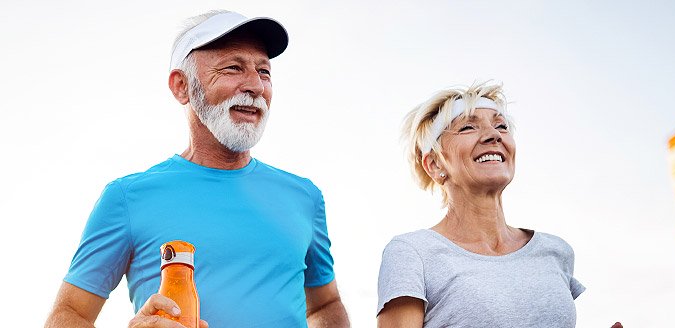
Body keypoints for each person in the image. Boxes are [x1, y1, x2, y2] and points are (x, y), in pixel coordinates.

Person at [45, 10, 349, 328]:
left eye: (264, 71)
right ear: (181, 86)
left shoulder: (305, 197)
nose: (255, 86)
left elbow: (326, 305)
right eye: (233, 68)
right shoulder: (126, 197)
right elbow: (69, 315)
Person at [376, 82, 621, 327]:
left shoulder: (556, 251)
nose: (494, 135)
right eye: (468, 127)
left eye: (501, 125)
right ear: (435, 165)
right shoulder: (412, 253)